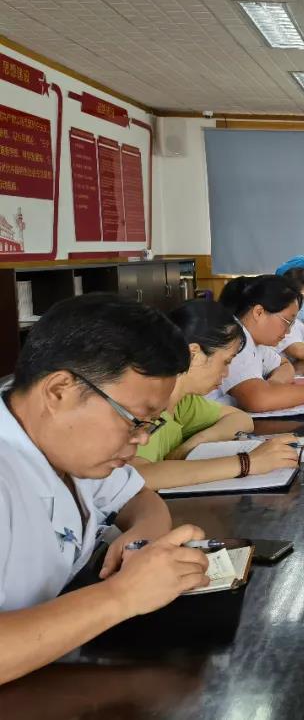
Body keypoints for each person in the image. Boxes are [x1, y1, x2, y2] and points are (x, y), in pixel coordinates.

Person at [0, 293, 211, 684]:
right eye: (135, 420)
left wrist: (142, 538)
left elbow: (139, 497)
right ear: (59, 391)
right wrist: (123, 595)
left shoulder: (64, 442)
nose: (142, 439)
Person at [132, 299, 302, 491]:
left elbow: (241, 419)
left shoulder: (184, 402)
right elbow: (139, 476)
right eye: (225, 362)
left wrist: (194, 444)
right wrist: (247, 463)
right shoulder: (147, 406)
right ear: (194, 354)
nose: (226, 373)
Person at [215, 275, 304, 413]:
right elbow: (258, 399)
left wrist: (274, 386)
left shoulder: (256, 342)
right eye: (287, 322)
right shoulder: (235, 339)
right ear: (259, 313)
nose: (289, 331)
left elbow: (285, 365)